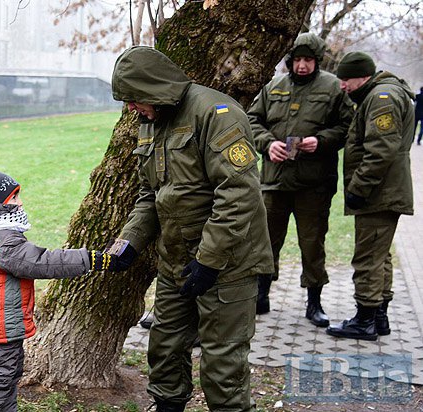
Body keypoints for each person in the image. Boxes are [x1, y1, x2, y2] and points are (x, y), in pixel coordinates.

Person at [107, 46, 273, 411]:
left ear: (155, 87)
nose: (131, 109)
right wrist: (130, 241)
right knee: (164, 347)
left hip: (229, 264)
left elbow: (239, 194)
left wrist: (209, 261)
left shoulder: (217, 113)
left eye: (134, 99)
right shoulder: (152, 121)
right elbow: (149, 193)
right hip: (176, 261)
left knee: (222, 365)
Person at [0, 164, 114, 411]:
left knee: (5, 381)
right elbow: (44, 262)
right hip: (0, 331)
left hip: (0, 329)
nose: (20, 203)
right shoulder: (4, 244)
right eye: (14, 197)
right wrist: (92, 259)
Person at [247, 33, 354, 323]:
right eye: (297, 60)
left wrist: (320, 141)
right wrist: (268, 143)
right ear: (290, 61)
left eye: (308, 60)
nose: (302, 65)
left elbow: (347, 125)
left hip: (313, 184)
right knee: (266, 241)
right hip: (274, 180)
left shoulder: (333, 87)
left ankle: (314, 303)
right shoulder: (274, 86)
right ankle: (261, 294)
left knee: (312, 242)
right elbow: (252, 120)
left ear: (317, 61)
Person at [326, 52, 414, 341]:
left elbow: (380, 151)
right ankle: (379, 316)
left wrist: (358, 189)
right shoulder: (381, 93)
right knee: (380, 255)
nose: (342, 86)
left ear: (362, 75)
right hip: (385, 192)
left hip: (379, 194)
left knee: (368, 258)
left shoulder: (381, 98)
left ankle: (364, 321)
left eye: (346, 79)